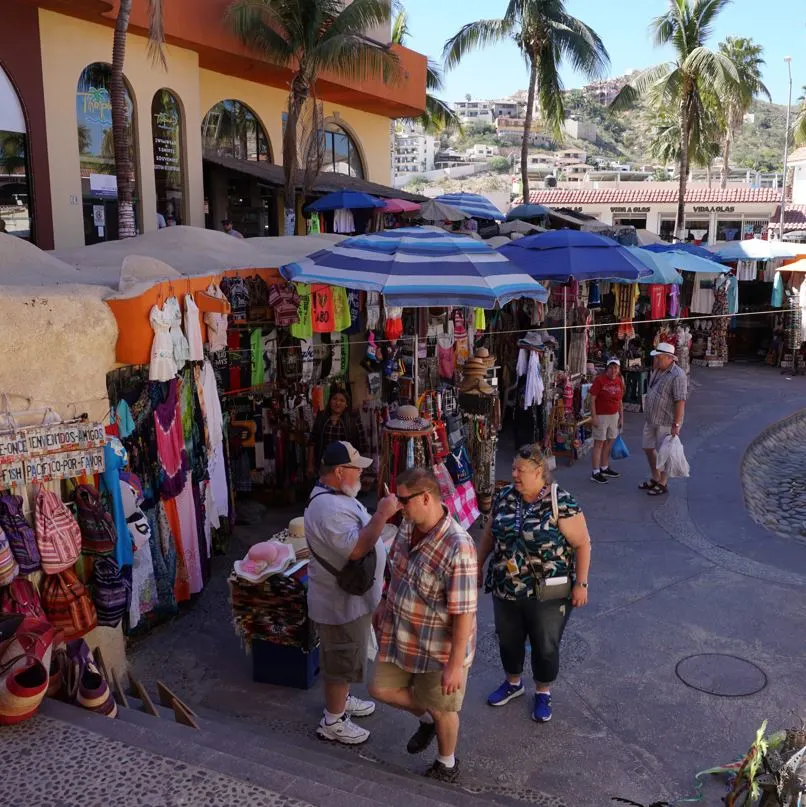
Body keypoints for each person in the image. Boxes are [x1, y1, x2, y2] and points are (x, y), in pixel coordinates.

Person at [369, 469, 477, 783]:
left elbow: (464, 612)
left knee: (445, 708)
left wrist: (455, 664)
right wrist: (384, 599)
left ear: (425, 498)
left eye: (403, 500)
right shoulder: (408, 523)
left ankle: (447, 763)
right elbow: (396, 567)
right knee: (380, 688)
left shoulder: (459, 547)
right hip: (401, 632)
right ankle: (427, 719)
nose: (397, 505)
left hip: (438, 647)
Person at [477, 444, 591, 723]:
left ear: (539, 472)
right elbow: (490, 537)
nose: (514, 474)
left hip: (548, 592)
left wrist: (582, 584)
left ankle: (543, 691)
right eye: (513, 468)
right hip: (506, 586)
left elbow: (582, 543)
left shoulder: (560, 501)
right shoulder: (505, 496)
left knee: (545, 644)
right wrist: (479, 566)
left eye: (521, 470)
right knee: (508, 638)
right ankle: (513, 683)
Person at [304, 441, 401, 745]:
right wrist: (383, 514)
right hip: (338, 603)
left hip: (349, 599)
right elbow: (357, 548)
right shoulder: (327, 507)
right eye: (355, 468)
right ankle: (333, 720)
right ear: (338, 471)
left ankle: (342, 701)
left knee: (347, 654)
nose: (361, 472)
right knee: (340, 657)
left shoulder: (336, 497)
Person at [640, 342, 687, 497]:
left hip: (666, 420)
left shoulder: (678, 375)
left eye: (659, 358)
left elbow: (680, 401)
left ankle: (663, 482)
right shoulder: (658, 370)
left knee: (665, 452)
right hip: (652, 418)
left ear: (669, 358)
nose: (657, 360)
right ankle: (656, 476)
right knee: (647, 447)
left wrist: (677, 424)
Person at [307, 389, 368, 478]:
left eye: (342, 400)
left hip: (346, 467)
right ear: (330, 401)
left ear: (346, 404)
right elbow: (312, 441)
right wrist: (310, 465)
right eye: (334, 399)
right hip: (324, 465)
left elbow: (362, 445)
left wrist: (360, 468)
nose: (337, 403)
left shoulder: (353, 419)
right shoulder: (321, 417)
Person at [589, 358, 625, 484]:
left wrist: (621, 417)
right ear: (607, 368)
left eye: (616, 368)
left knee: (609, 442)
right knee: (599, 443)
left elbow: (620, 401)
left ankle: (604, 467)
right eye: (611, 367)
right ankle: (595, 471)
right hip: (601, 416)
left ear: (619, 369)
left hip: (613, 415)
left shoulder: (619, 381)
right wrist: (594, 416)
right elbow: (592, 399)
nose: (613, 370)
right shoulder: (599, 380)